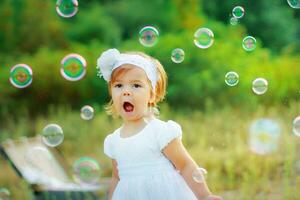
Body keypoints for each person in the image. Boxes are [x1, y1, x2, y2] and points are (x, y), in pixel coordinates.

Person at [96, 48, 222, 200]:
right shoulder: (113, 141)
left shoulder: (159, 132)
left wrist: (205, 196)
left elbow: (186, 166)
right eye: (118, 86)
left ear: (152, 94)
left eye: (136, 85)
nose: (126, 92)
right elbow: (116, 177)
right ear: (111, 91)